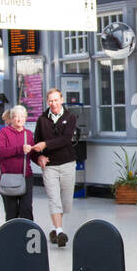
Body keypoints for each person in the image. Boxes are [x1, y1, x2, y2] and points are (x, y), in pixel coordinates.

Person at [33, 87, 79, 247]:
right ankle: (60, 231)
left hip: (67, 163)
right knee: (54, 199)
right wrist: (39, 156)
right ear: (47, 102)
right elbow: (35, 143)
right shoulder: (42, 120)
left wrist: (46, 144)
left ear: (61, 100)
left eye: (56, 100)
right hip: (50, 166)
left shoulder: (70, 117)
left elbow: (66, 139)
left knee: (66, 202)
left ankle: (54, 228)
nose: (53, 103)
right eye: (50, 101)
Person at [0, 105, 35, 222]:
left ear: (26, 118)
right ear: (11, 118)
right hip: (6, 177)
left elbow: (32, 154)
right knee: (11, 211)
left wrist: (41, 158)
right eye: (16, 116)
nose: (19, 119)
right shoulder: (4, 132)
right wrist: (20, 149)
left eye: (22, 116)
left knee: (26, 209)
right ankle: (12, 237)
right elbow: (1, 152)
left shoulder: (28, 134)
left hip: (25, 176)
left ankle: (26, 235)